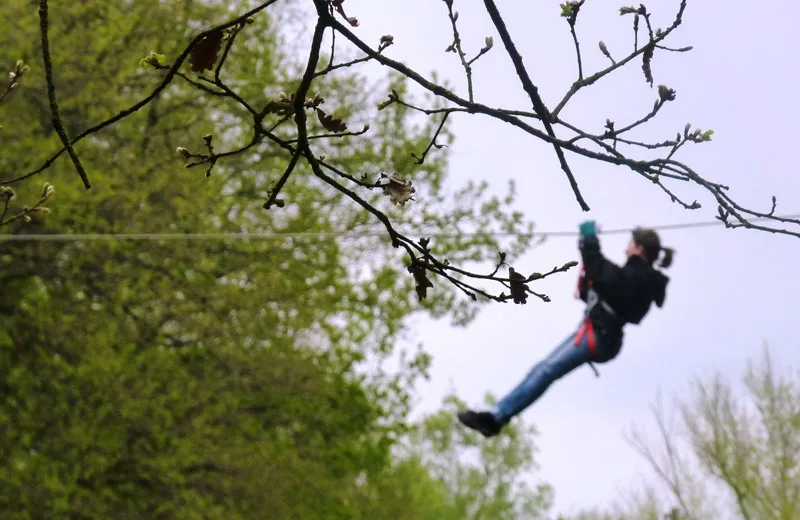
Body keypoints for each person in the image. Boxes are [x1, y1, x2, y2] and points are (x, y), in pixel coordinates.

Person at [457, 220, 675, 438]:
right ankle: (498, 414)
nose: (625, 247)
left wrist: (590, 242)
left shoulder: (640, 279)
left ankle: (496, 417)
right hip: (601, 334)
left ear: (639, 248)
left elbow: (601, 272)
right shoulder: (638, 279)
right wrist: (587, 255)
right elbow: (603, 278)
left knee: (546, 370)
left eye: (630, 243)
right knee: (542, 369)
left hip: (600, 336)